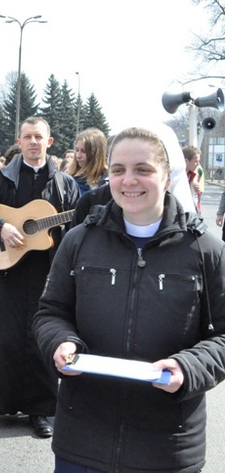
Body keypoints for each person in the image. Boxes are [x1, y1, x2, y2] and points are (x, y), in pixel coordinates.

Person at [34, 126, 225, 472]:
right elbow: (50, 312)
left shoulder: (204, 249)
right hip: (82, 442)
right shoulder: (79, 241)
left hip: (167, 447)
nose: (128, 180)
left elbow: (223, 335)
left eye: (143, 169)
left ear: (167, 177)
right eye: (118, 170)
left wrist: (188, 367)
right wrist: (60, 342)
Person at [0, 117, 80, 438]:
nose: (33, 142)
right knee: (9, 340)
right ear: (20, 140)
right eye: (27, 137)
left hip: (49, 273)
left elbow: (78, 222)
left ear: (49, 142)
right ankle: (9, 401)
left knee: (43, 340)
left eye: (39, 137)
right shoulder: (3, 178)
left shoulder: (64, 183)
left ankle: (42, 411)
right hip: (8, 271)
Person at [67, 128, 108, 195]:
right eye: (77, 150)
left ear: (96, 153)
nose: (78, 155)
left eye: (83, 151)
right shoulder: (71, 181)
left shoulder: (110, 180)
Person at [183, 145, 203, 213]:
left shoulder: (195, 175)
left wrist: (198, 191)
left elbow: (196, 198)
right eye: (196, 161)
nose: (198, 164)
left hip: (192, 214)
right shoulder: (175, 178)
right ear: (186, 161)